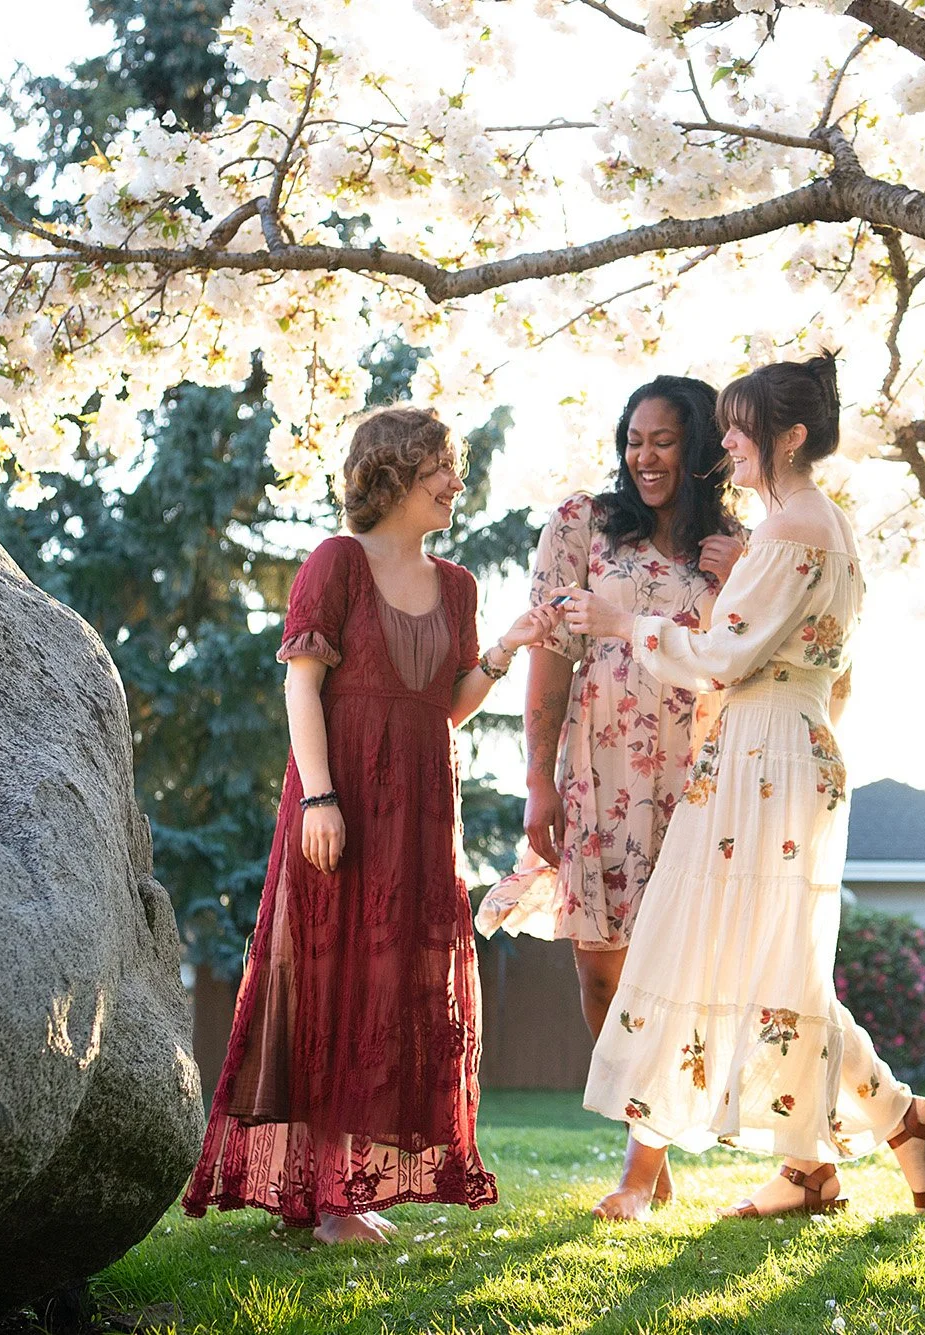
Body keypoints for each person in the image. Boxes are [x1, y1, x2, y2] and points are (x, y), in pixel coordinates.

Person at [557, 355, 925, 1221]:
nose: (727, 443)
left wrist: (626, 622)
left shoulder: (791, 528)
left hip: (765, 749)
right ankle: (834, 1151)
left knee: (754, 956)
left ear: (789, 437)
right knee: (773, 958)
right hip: (783, 742)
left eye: (740, 428)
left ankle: (860, 1138)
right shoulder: (821, 525)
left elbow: (725, 654)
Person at [183, 406, 556, 1243]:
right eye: (441, 467)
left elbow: (446, 707)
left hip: (420, 811)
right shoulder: (336, 563)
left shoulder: (457, 584)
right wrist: (320, 798)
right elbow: (300, 687)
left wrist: (504, 648)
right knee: (329, 977)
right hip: (340, 799)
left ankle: (339, 1190)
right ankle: (324, 1198)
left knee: (390, 983)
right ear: (392, 471)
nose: (456, 483)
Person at [475, 374, 743, 1207]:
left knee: (675, 965)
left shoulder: (737, 545)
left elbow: (756, 657)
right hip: (599, 768)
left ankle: (642, 1166)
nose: (644, 455)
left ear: (701, 447)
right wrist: (538, 781)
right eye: (635, 439)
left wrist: (742, 576)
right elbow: (550, 654)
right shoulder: (581, 523)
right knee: (601, 972)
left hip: (697, 777)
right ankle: (647, 1128)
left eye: (663, 440)